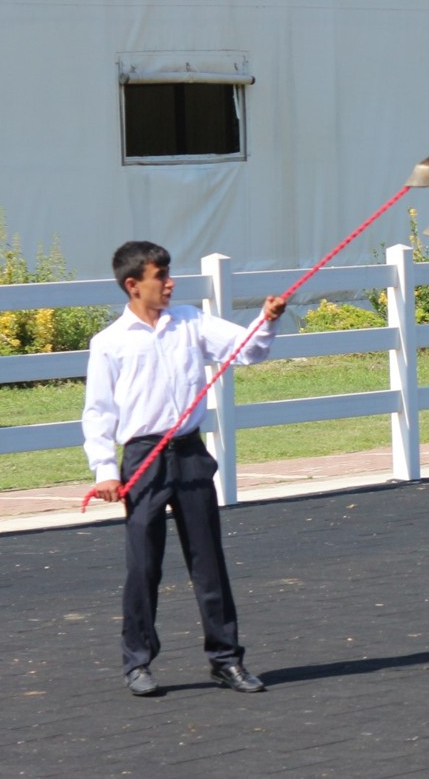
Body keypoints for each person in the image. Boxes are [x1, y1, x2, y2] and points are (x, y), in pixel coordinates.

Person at [82, 241, 286, 697]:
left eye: (169, 273)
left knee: (208, 562)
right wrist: (104, 473)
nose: (170, 282)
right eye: (160, 276)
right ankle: (137, 663)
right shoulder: (109, 344)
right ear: (133, 285)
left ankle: (226, 660)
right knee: (143, 567)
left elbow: (247, 351)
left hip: (190, 453)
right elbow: (97, 414)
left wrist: (267, 321)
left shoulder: (191, 322)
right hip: (142, 460)